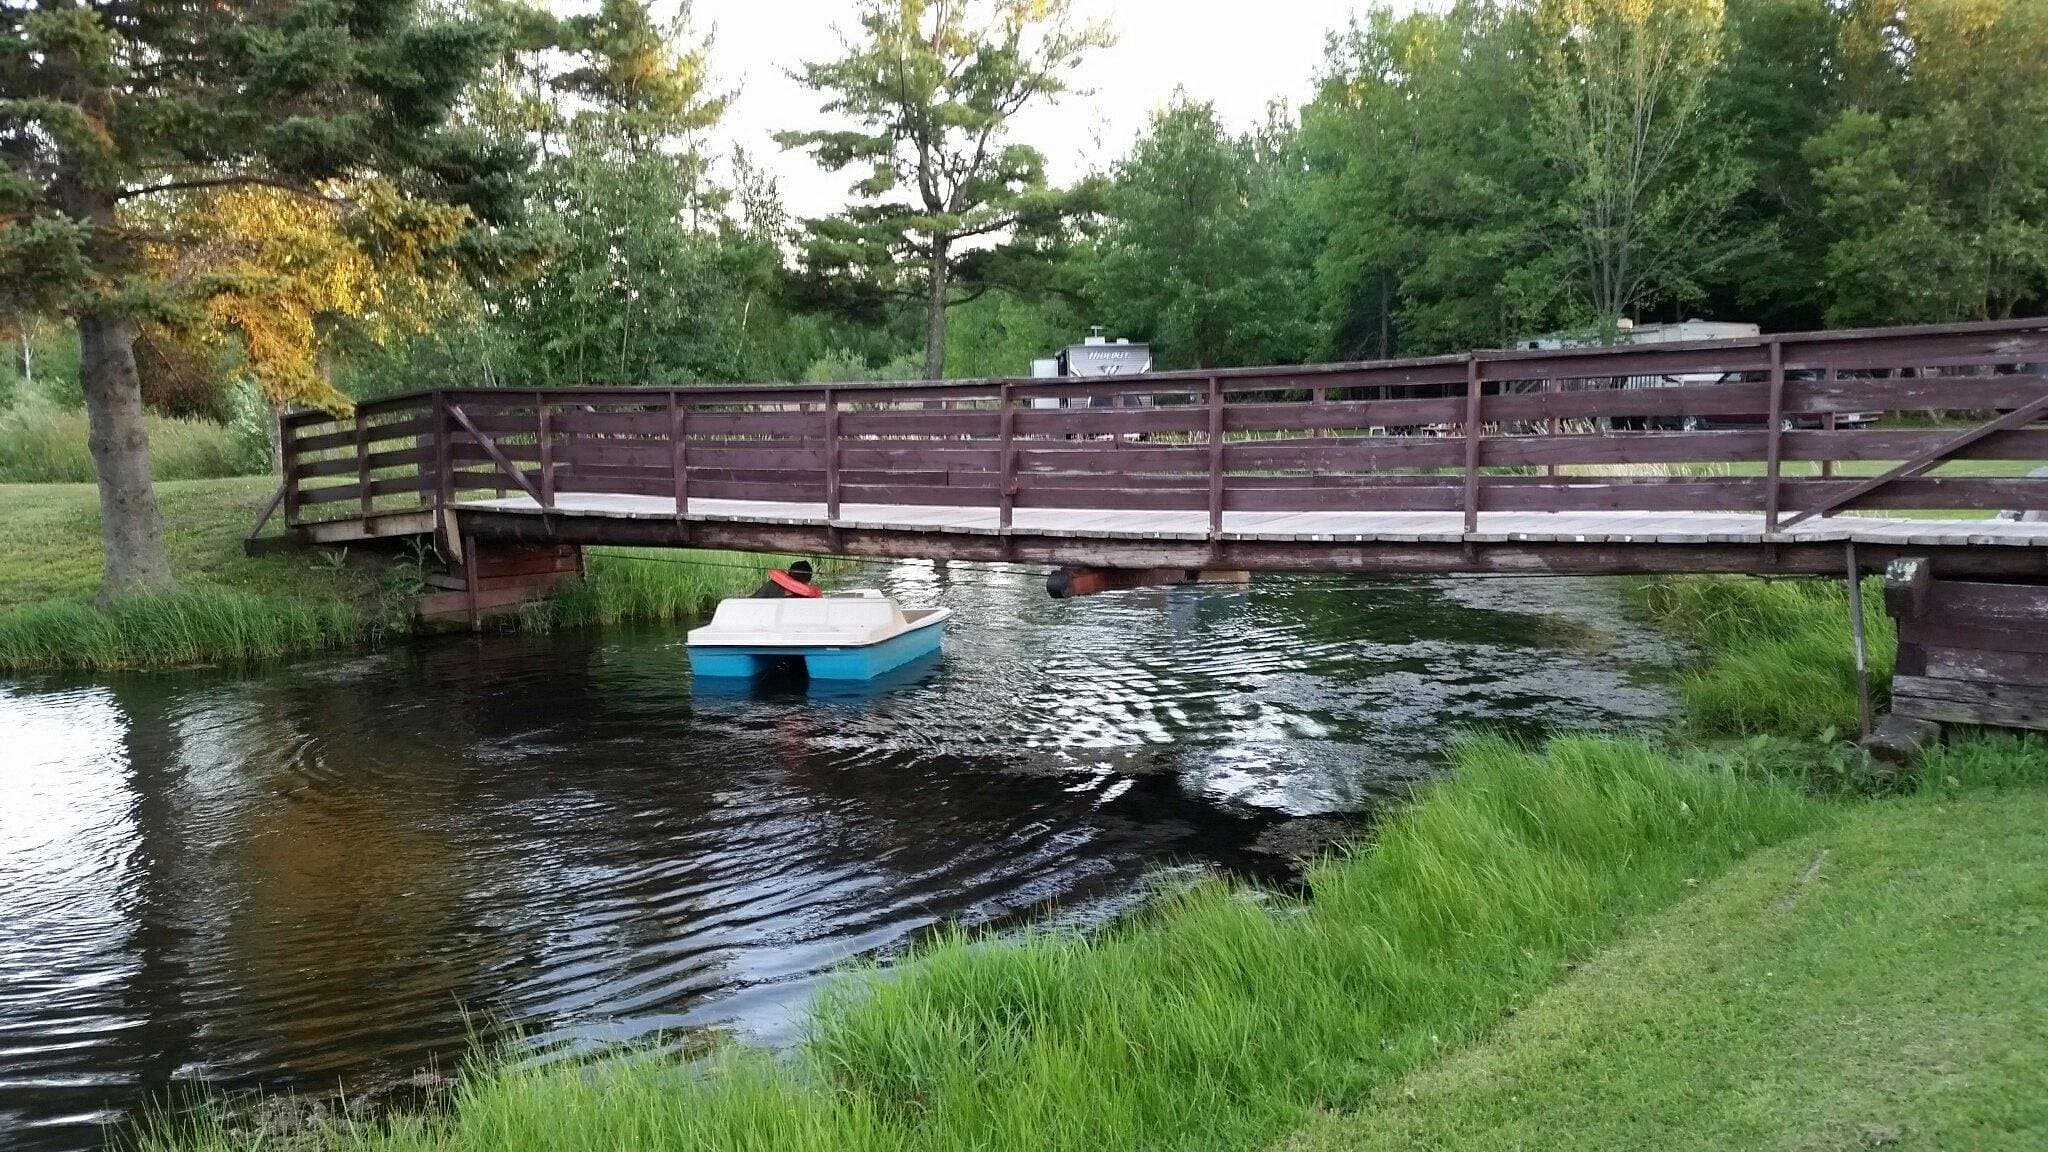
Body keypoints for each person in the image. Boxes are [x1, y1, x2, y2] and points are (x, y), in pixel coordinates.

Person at [750, 559, 822, 599]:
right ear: (807, 580)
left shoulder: (772, 585)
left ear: (788, 574)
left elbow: (752, 600)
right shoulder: (810, 597)